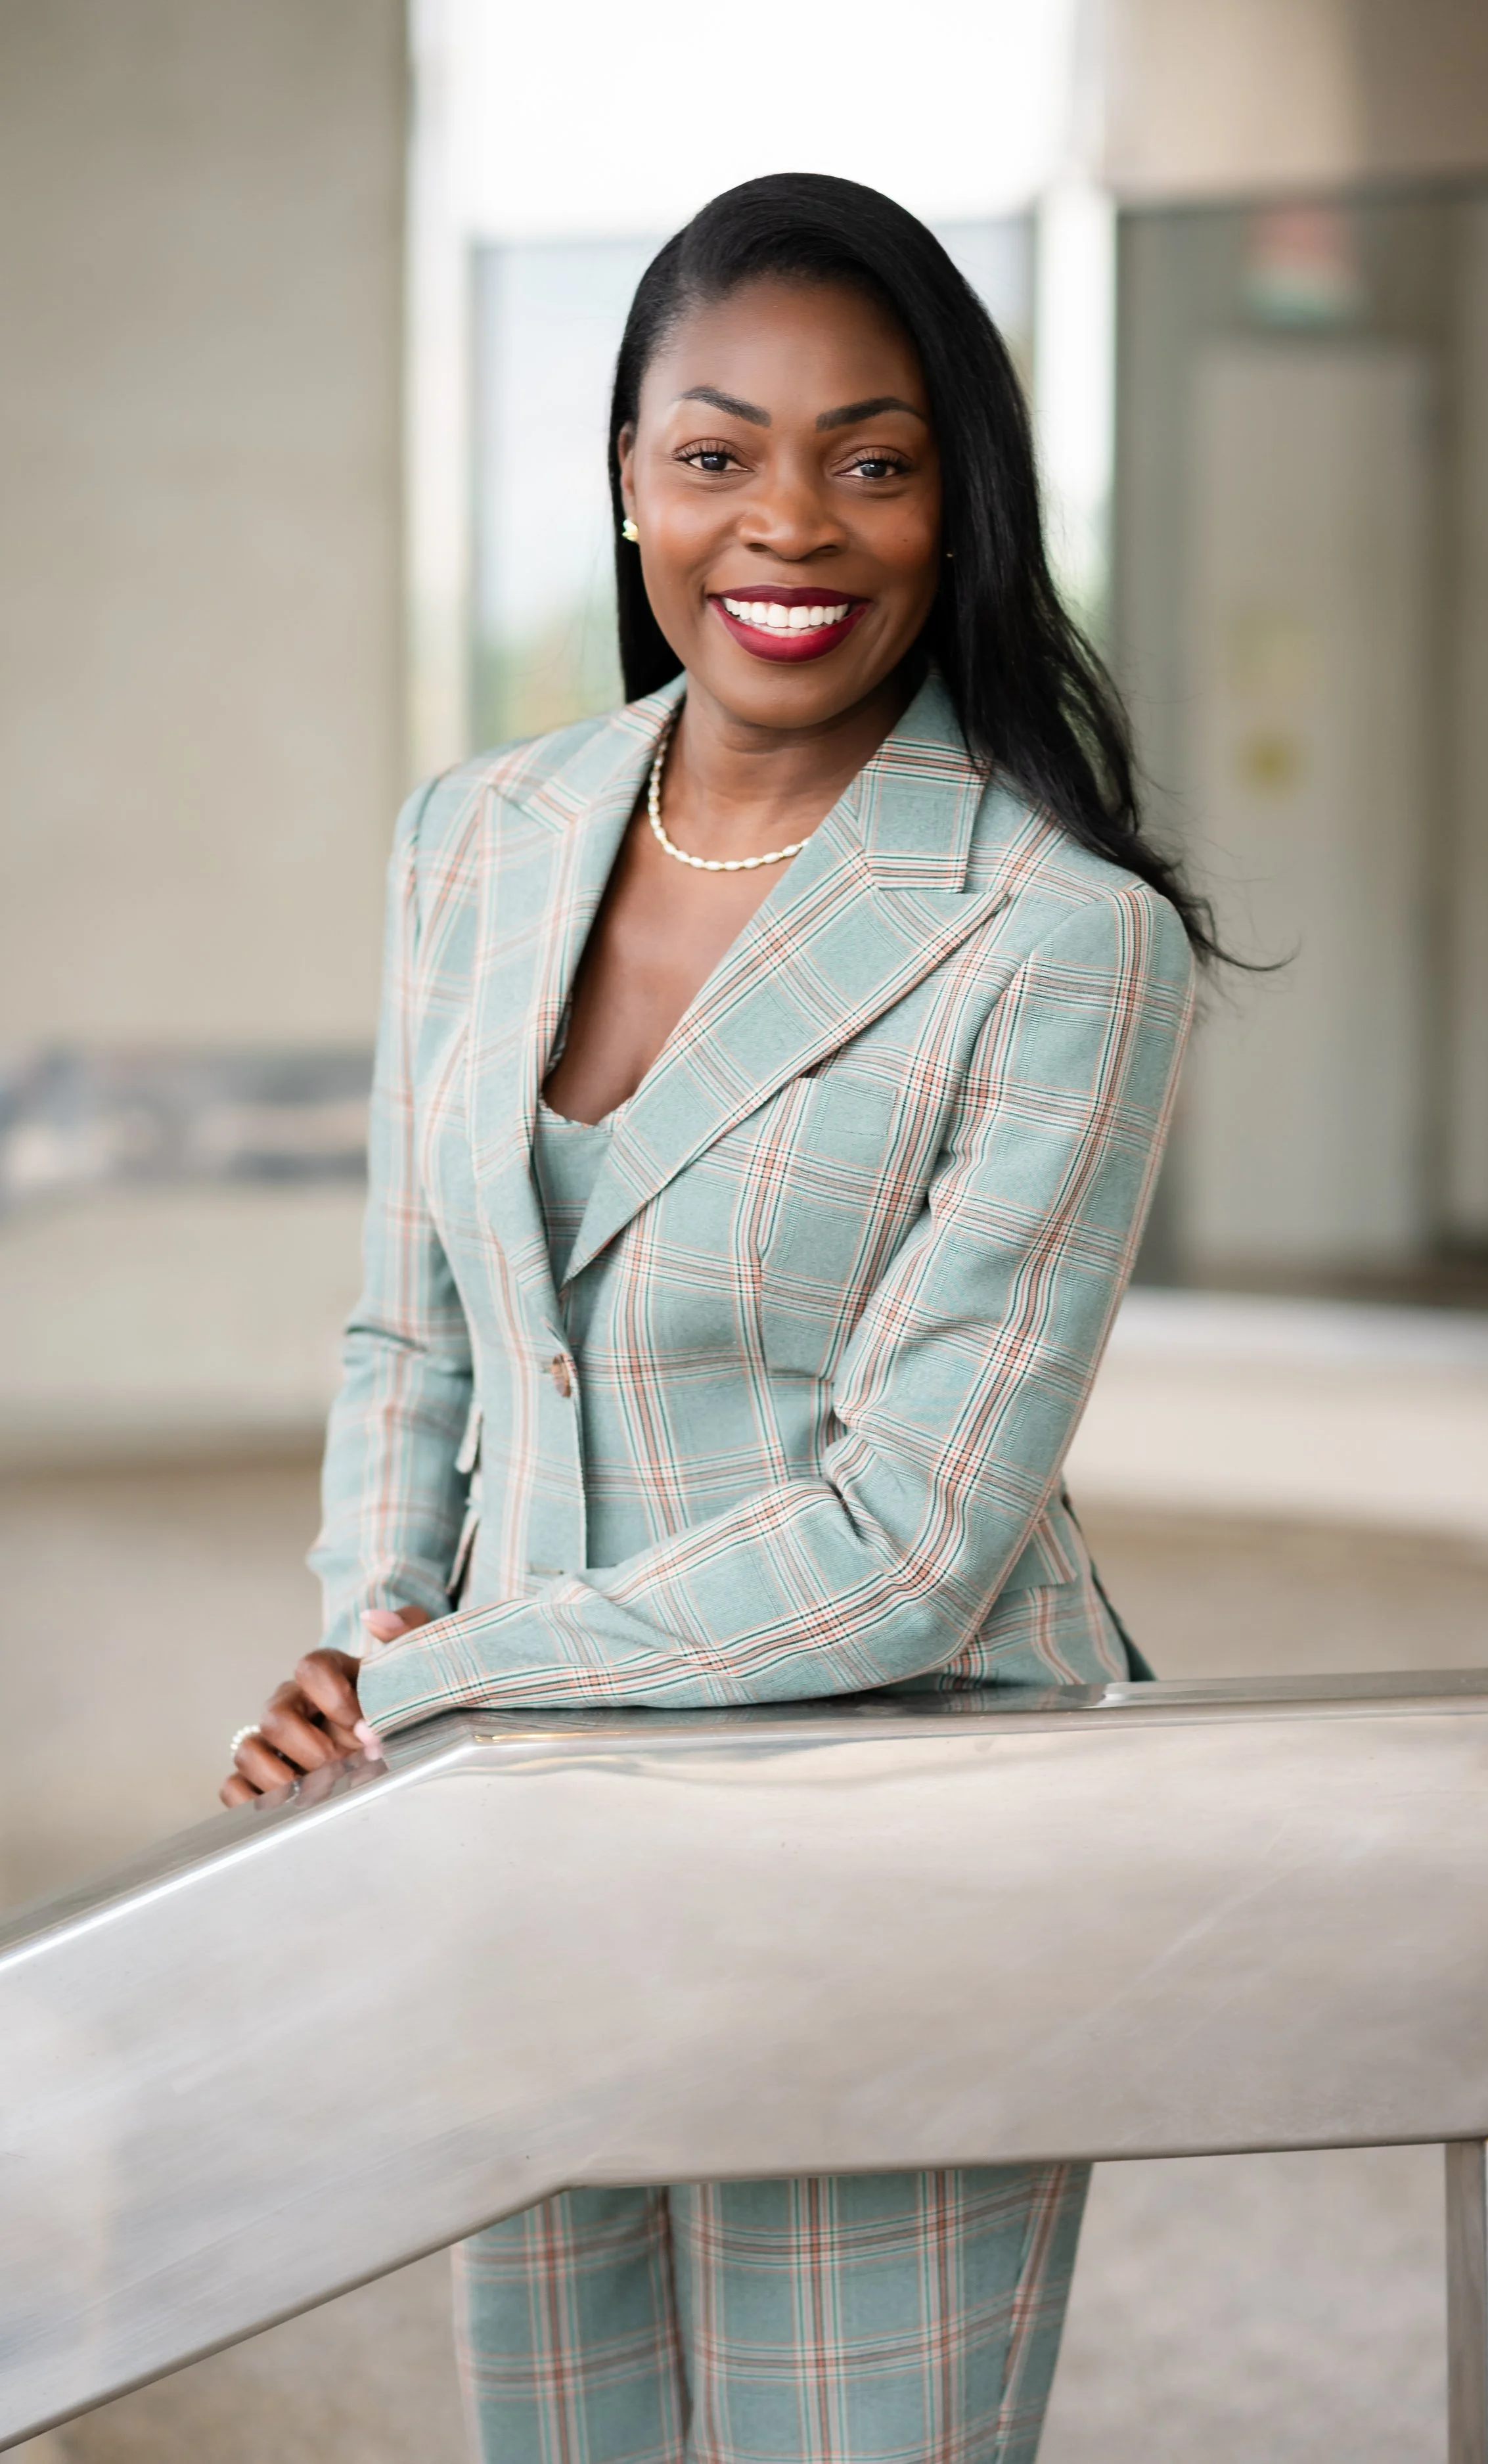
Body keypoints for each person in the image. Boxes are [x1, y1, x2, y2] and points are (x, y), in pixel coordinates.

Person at [222, 172, 1207, 2464]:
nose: (790, 524)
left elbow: (908, 1534)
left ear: (958, 499)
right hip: (516, 1830)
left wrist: (431, 1673)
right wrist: (367, 1626)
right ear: (629, 482)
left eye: (872, 459)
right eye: (715, 452)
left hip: (896, 1840)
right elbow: (412, 1331)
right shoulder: (475, 836)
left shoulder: (1058, 939)